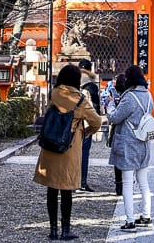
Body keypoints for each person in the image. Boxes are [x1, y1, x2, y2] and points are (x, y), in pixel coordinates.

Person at [33, 64, 102, 240]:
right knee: (66, 190)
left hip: (49, 146)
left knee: (51, 189)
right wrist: (86, 133)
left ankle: (53, 230)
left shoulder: (54, 94)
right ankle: (65, 230)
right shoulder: (80, 100)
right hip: (68, 149)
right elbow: (96, 121)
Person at [107, 65, 153, 231]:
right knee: (143, 182)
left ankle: (130, 220)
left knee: (127, 183)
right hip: (144, 143)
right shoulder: (148, 95)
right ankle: (146, 216)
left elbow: (115, 117)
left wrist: (110, 105)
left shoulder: (130, 97)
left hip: (129, 144)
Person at [78, 58, 101, 192]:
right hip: (86, 123)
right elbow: (96, 109)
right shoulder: (91, 86)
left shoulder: (73, 83)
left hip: (72, 124)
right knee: (84, 153)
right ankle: (82, 182)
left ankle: (70, 181)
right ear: (90, 69)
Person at [104, 73, 126, 195]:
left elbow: (112, 116)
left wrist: (111, 103)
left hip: (117, 130)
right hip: (130, 132)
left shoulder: (115, 97)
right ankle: (126, 182)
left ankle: (119, 184)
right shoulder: (130, 96)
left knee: (117, 159)